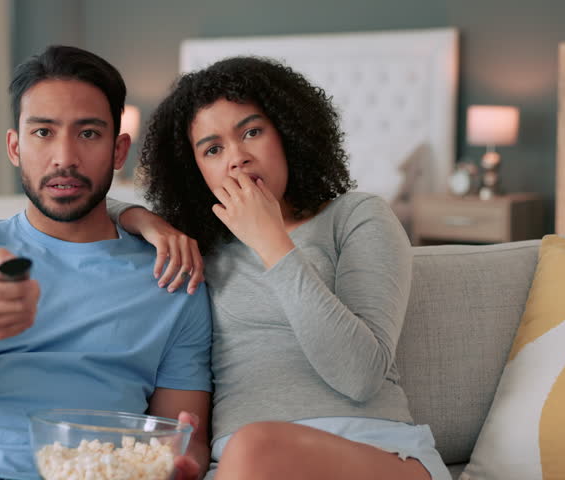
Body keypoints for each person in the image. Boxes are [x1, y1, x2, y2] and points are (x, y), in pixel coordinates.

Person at [110, 56, 452, 479]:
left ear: (289, 134)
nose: (237, 158)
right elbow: (72, 202)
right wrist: (138, 216)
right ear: (194, 170)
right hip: (242, 466)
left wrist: (271, 241)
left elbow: (360, 376)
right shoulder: (198, 245)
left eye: (252, 132)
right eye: (213, 149)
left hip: (373, 451)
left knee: (256, 445)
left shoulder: (356, 216)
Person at [0, 45, 213, 480]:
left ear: (118, 151)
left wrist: (175, 465)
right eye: (43, 133)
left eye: (88, 134)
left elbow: (184, 435)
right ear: (15, 146)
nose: (65, 158)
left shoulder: (171, 278)